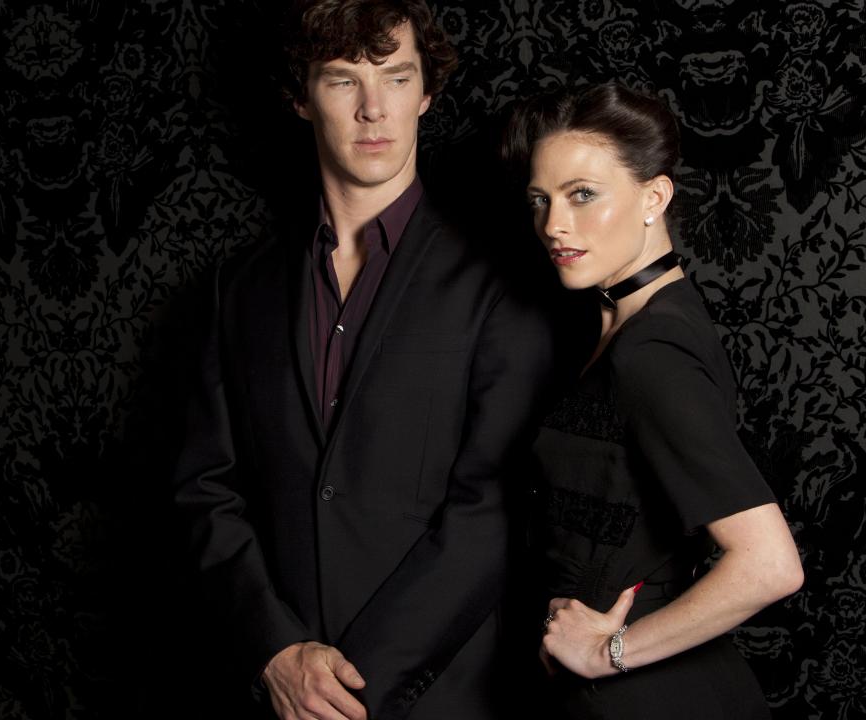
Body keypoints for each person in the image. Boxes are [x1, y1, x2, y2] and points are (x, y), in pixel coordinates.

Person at [172, 1, 556, 719]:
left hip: (436, 698)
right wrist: (276, 653)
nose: (373, 108)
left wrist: (354, 688)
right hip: (277, 695)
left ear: (426, 93)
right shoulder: (239, 287)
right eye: (343, 80)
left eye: (397, 78)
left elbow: (494, 510)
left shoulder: (501, 280)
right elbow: (204, 489)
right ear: (301, 97)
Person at [499, 83, 804, 719]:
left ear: (654, 197)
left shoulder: (652, 349)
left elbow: (770, 564)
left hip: (651, 698)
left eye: (583, 194)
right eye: (540, 199)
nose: (553, 225)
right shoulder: (636, 325)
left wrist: (606, 652)